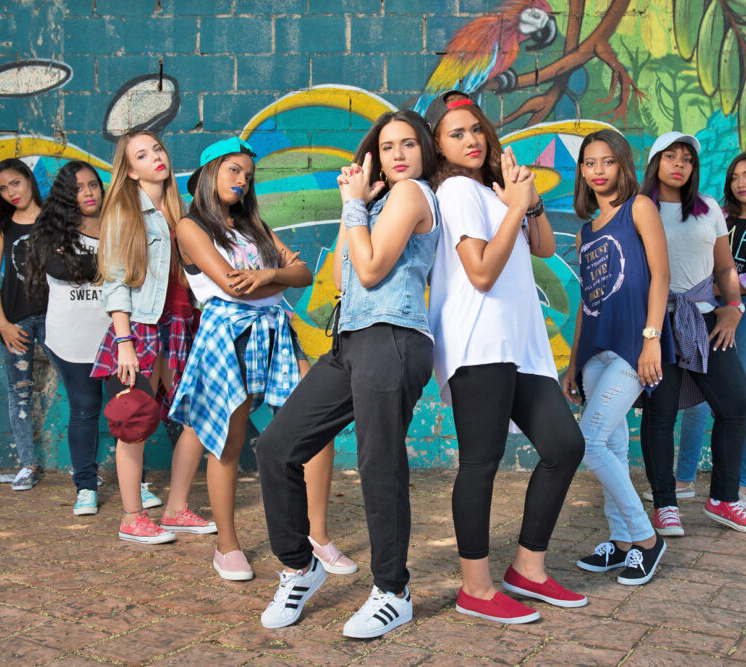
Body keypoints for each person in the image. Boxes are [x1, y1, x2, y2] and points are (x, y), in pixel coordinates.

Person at [255, 110, 439, 639]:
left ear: (424, 151)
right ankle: (299, 565)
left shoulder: (412, 195)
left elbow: (373, 268)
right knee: (277, 447)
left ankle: (393, 592)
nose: (398, 154)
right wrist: (351, 205)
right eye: (386, 147)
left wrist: (357, 205)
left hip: (393, 338)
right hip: (352, 341)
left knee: (379, 462)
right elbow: (340, 273)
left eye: (408, 144)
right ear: (372, 156)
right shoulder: (377, 200)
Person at [425, 91, 587, 624]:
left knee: (565, 445)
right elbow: (480, 272)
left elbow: (541, 247)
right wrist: (516, 205)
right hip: (479, 340)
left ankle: (528, 570)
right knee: (481, 461)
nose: (471, 139)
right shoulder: (453, 191)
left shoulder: (489, 190)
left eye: (475, 129)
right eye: (456, 134)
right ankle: (475, 587)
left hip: (521, 343)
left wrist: (527, 199)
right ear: (438, 146)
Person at [170, 137, 324, 580]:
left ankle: (318, 535)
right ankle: (227, 545)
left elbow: (303, 273)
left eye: (247, 175)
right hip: (228, 338)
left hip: (277, 333)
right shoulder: (191, 227)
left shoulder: (254, 227)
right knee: (228, 441)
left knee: (314, 424)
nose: (242, 181)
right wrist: (277, 277)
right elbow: (231, 285)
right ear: (208, 173)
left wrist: (270, 274)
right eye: (233, 170)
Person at [638, 132, 746, 536]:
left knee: (737, 402)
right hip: (658, 324)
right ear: (656, 161)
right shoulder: (640, 209)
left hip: (705, 318)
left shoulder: (708, 208)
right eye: (671, 156)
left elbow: (726, 268)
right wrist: (648, 335)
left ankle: (724, 499)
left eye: (688, 159)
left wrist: (734, 308)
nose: (680, 164)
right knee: (660, 414)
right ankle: (665, 504)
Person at [560, 129, 673, 585]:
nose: (598, 171)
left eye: (607, 162)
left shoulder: (639, 208)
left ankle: (647, 539)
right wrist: (572, 362)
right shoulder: (587, 230)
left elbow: (661, 276)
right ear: (582, 173)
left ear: (622, 165)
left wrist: (652, 339)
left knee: (587, 441)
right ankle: (623, 542)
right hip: (594, 352)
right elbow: (591, 300)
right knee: (611, 445)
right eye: (589, 163)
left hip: (631, 345)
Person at [93, 131, 214, 544]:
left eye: (158, 149)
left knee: (197, 416)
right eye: (142, 155)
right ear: (130, 171)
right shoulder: (124, 214)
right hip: (141, 329)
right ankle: (131, 517)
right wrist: (124, 341)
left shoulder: (181, 214)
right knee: (135, 420)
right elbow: (115, 281)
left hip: (179, 325)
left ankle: (176, 509)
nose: (155, 158)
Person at [674, 153, 746, 505]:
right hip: (711, 307)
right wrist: (710, 291)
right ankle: (683, 481)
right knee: (697, 398)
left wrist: (716, 288)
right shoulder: (718, 217)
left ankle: (741, 486)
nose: (742, 182)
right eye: (736, 176)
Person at [24, 161, 111, 515]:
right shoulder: (51, 231)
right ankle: (86, 486)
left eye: (93, 185)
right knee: (85, 410)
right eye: (78, 187)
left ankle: (136, 482)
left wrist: (85, 262)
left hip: (115, 336)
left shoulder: (118, 225)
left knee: (127, 411)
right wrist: (108, 263)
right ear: (65, 194)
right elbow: (59, 269)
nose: (88, 193)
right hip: (70, 337)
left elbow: (138, 264)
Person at [0, 158, 46, 491]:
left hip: (55, 318)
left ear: (29, 180)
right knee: (19, 394)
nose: (10, 193)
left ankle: (84, 468)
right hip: (16, 320)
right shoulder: (2, 224)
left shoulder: (53, 218)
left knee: (80, 391)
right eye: (3, 188)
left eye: (15, 183)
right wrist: (2, 323)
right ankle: (27, 465)